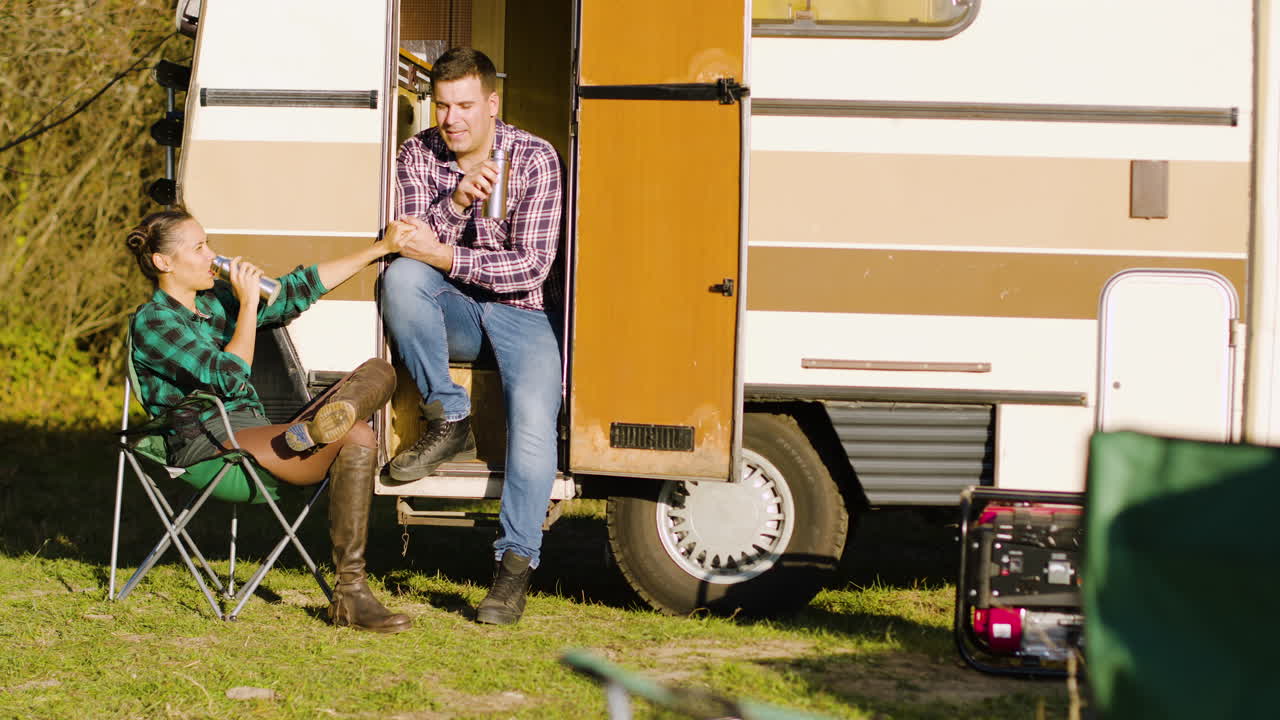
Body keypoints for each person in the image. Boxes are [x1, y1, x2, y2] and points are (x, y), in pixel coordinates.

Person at [125, 209, 414, 633]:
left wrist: (381, 249)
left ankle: (320, 429)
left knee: (378, 374)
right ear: (163, 262)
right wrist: (246, 304)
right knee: (356, 435)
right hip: (211, 444)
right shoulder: (154, 321)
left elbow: (301, 288)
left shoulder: (215, 304)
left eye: (209, 244)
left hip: (258, 434)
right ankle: (350, 593)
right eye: (199, 247)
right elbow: (230, 375)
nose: (213, 256)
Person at [380, 47, 563, 626]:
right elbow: (409, 246)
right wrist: (456, 201)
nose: (452, 118)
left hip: (521, 312)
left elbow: (531, 268)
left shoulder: (535, 158)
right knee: (401, 279)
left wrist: (449, 254)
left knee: (534, 423)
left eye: (464, 105)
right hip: (453, 311)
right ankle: (449, 416)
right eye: (442, 106)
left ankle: (513, 569)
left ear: (491, 103)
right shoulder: (419, 154)